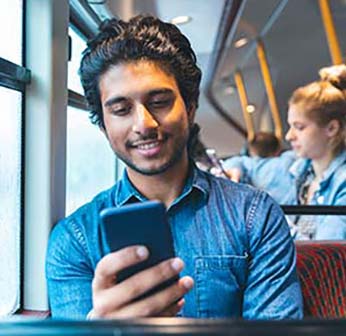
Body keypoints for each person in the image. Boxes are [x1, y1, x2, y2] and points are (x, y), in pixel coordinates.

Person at [46, 15, 302, 320]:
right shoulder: (74, 240)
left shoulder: (255, 216)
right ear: (103, 124)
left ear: (190, 107)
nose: (144, 125)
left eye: (159, 101)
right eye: (121, 109)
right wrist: (98, 329)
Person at [224, 64, 346, 240]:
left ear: (331, 128)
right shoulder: (294, 165)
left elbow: (325, 255)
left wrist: (270, 222)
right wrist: (234, 172)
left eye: (299, 127)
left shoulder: (342, 185)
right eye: (290, 126)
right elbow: (243, 163)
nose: (289, 136)